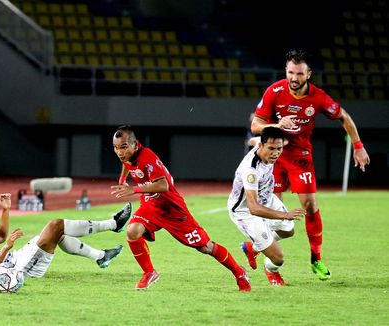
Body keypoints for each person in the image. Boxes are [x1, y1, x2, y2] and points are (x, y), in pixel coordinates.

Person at [251, 49, 371, 280]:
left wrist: (358, 146)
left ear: (309, 74)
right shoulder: (274, 91)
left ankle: (316, 257)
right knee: (276, 215)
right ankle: (272, 268)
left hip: (301, 158)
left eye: (299, 73)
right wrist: (277, 123)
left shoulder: (318, 98)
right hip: (272, 159)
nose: (294, 78)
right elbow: (256, 125)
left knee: (310, 208)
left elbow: (343, 116)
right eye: (290, 72)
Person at [110, 125, 251, 291]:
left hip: (173, 209)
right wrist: (122, 179)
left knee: (205, 247)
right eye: (116, 148)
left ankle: (238, 272)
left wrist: (133, 189)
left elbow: (163, 185)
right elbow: (127, 163)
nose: (119, 152)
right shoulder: (128, 156)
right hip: (151, 205)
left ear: (135, 144)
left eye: (123, 147)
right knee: (132, 231)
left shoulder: (146, 157)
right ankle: (149, 272)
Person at [0, 193, 132, 278]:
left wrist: (5, 210)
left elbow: (0, 236)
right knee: (55, 225)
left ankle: (100, 256)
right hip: (19, 270)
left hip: (17, 259)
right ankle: (114, 224)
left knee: (58, 234)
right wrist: (7, 248)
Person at [228, 127, 305, 286]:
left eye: (279, 149)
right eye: (271, 148)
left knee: (287, 230)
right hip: (245, 211)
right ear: (261, 146)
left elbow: (252, 140)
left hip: (266, 197)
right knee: (278, 258)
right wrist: (285, 214)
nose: (276, 153)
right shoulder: (251, 171)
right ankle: (271, 271)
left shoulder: (261, 143)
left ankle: (253, 248)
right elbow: (254, 208)